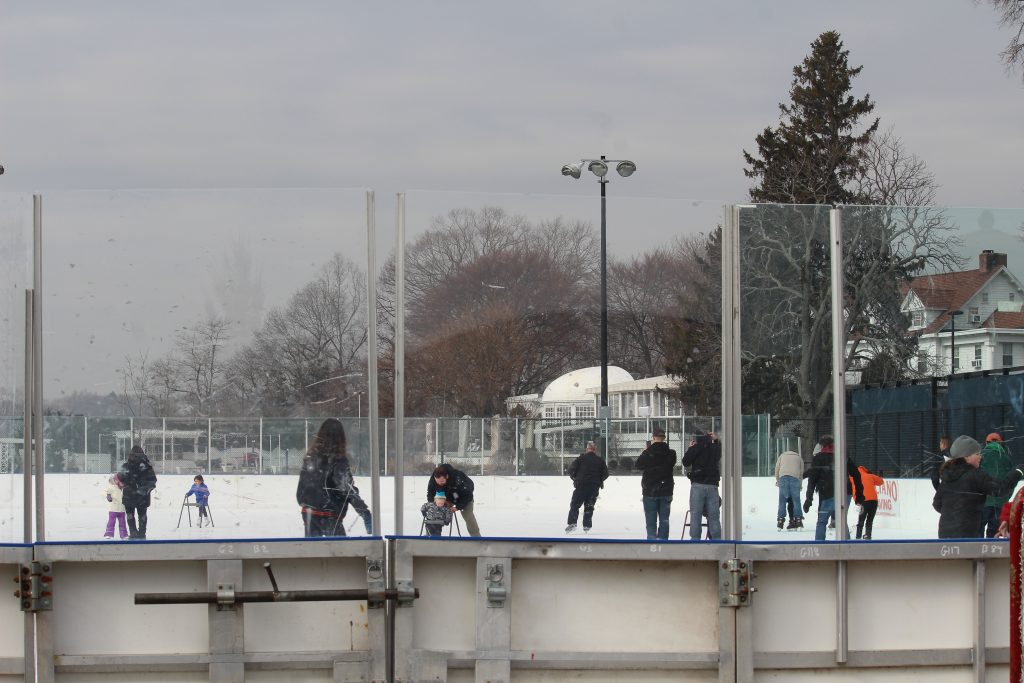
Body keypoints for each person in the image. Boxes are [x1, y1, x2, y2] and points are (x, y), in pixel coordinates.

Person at [933, 435, 1024, 539]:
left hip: (945, 536)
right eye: (977, 454)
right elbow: (1000, 489)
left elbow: (937, 504)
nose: (980, 457)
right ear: (966, 457)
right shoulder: (975, 475)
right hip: (967, 535)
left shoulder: (947, 476)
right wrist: (1017, 472)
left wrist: (954, 513)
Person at [296, 418, 373, 537]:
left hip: (309, 513)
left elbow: (301, 489)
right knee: (338, 552)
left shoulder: (311, 457)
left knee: (313, 551)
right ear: (341, 438)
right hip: (330, 514)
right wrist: (364, 511)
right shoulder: (338, 460)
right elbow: (346, 489)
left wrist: (307, 502)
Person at [802, 435, 864, 541]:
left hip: (827, 493)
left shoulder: (819, 458)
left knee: (822, 521)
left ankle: (820, 547)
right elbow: (857, 474)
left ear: (822, 446)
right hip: (845, 493)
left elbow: (812, 479)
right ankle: (846, 546)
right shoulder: (843, 457)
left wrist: (809, 498)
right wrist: (859, 495)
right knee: (841, 520)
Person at [635, 427, 677, 540]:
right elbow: (671, 463)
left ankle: (652, 540)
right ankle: (663, 541)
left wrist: (645, 451)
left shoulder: (648, 452)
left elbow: (638, 465)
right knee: (664, 519)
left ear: (653, 438)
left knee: (650, 518)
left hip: (650, 490)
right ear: (664, 438)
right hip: (666, 489)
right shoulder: (671, 453)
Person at [682, 430, 722, 540]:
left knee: (696, 515)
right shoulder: (715, 448)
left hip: (698, 485)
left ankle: (695, 540)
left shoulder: (696, 448)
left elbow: (685, 462)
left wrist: (691, 448)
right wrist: (716, 440)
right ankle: (717, 540)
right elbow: (720, 449)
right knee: (714, 516)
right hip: (712, 485)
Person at [565, 441, 609, 533]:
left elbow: (570, 470)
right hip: (594, 487)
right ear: (595, 450)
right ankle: (587, 526)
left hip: (581, 486)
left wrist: (575, 478)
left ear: (586, 449)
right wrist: (599, 481)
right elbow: (606, 474)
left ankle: (572, 523)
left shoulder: (580, 459)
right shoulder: (600, 460)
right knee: (589, 506)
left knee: (575, 505)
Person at [427, 464, 480, 536]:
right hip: (447, 495)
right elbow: (430, 493)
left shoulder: (458, 478)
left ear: (447, 477)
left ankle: (476, 537)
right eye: (438, 482)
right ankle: (431, 536)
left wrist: (457, 507)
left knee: (468, 515)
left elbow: (468, 496)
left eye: (442, 482)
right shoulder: (434, 478)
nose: (440, 484)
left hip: (464, 495)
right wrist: (432, 504)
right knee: (434, 512)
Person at [120, 445, 157, 540]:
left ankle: (133, 533)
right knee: (142, 514)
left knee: (130, 514)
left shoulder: (126, 466)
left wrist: (129, 484)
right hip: (143, 496)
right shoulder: (147, 466)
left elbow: (121, 479)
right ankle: (142, 534)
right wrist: (143, 490)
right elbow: (152, 481)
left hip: (129, 495)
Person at [980, 432, 1013, 537]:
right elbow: (1011, 481)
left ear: (986, 442)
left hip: (982, 502)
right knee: (994, 535)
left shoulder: (980, 456)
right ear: (1000, 443)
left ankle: (977, 552)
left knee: (977, 532)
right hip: (1000, 502)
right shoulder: (1006, 459)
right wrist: (1006, 497)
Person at [774, 449, 804, 531]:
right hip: (795, 478)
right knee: (796, 500)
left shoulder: (782, 456)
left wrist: (778, 480)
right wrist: (800, 485)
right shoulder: (799, 458)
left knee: (782, 501)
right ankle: (798, 519)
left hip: (783, 477)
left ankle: (780, 520)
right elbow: (801, 472)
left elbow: (777, 469)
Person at [854, 465, 884, 540]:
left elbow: (854, 490)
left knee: (861, 520)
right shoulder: (870, 476)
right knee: (869, 520)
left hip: (864, 501)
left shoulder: (855, 478)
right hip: (874, 501)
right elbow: (881, 482)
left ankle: (858, 536)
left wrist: (856, 500)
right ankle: (868, 535)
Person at [103, 473, 129, 540]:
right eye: (121, 483)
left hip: (122, 510)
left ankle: (124, 535)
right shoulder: (112, 487)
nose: (123, 484)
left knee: (123, 523)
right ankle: (108, 534)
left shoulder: (125, 489)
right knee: (111, 522)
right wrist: (109, 497)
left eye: (124, 483)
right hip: (113, 510)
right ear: (117, 482)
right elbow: (107, 492)